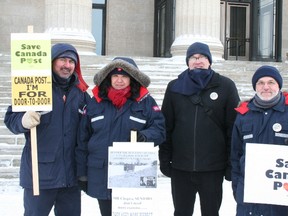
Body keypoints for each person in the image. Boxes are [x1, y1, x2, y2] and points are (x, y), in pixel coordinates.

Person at [4, 43, 90, 216]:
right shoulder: (35, 88)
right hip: (40, 176)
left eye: (71, 61)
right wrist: (23, 120)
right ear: (51, 61)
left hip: (71, 178)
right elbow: (10, 119)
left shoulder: (81, 94)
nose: (67, 65)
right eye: (63, 60)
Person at [75, 57, 166, 216]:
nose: (119, 80)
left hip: (132, 173)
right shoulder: (94, 102)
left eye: (124, 76)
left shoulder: (145, 102)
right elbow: (82, 140)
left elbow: (159, 129)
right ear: (108, 78)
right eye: (115, 76)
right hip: (100, 172)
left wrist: (144, 137)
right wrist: (82, 172)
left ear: (132, 79)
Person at [159, 42, 240, 216]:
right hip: (181, 167)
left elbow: (233, 129)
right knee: (181, 212)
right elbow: (166, 126)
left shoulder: (225, 86)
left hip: (213, 168)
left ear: (209, 60)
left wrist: (230, 164)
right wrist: (165, 159)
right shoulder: (174, 87)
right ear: (188, 61)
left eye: (202, 57)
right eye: (193, 57)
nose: (198, 61)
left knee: (211, 213)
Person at [231, 65, 288, 215]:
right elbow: (235, 155)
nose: (266, 87)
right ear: (255, 87)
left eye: (271, 82)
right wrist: (238, 187)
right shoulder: (244, 114)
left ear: (279, 86)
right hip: (250, 196)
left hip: (282, 194)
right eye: (261, 83)